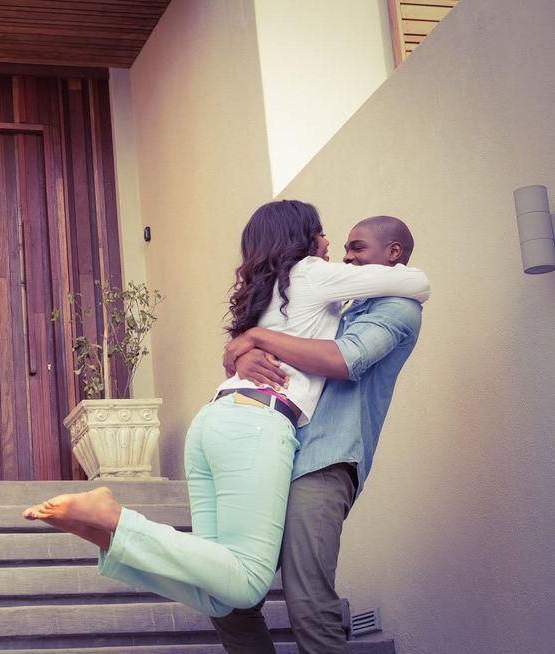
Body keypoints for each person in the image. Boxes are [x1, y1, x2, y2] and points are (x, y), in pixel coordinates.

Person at [21, 200, 431, 619]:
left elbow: (263, 344)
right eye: (323, 233)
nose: (333, 246)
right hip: (257, 423)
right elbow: (418, 282)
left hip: (214, 421)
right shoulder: (310, 272)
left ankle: (111, 541)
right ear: (303, 237)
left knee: (220, 594)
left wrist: (249, 342)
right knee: (248, 579)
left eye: (353, 246)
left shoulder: (273, 288)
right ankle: (116, 520)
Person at [210, 215, 426, 653]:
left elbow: (343, 360)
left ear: (394, 254)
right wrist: (248, 357)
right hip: (278, 451)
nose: (347, 255)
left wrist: (257, 335)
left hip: (324, 463)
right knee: (226, 592)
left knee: (308, 601)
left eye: (358, 248)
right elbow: (288, 350)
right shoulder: (344, 303)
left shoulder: (397, 309)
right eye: (346, 247)